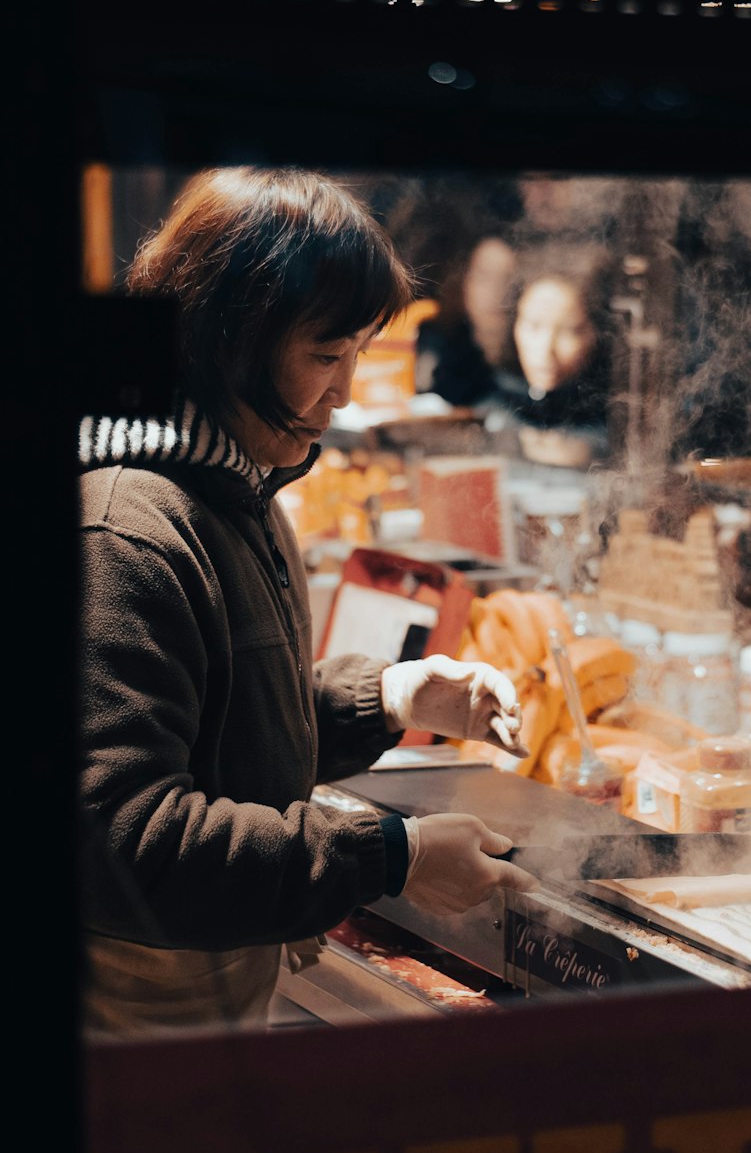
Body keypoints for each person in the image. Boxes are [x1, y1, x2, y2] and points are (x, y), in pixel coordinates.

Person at [78, 166, 536, 1036]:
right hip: (124, 1031)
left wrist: (392, 697)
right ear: (227, 342)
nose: (346, 392)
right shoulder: (126, 525)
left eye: (357, 354)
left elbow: (224, 732)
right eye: (325, 355)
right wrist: (387, 857)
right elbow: (120, 841)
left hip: (205, 1003)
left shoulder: (234, 486)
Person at [496, 242, 617, 469]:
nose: (545, 349)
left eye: (568, 331)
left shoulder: (617, 411)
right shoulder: (499, 394)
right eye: (533, 326)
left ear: (597, 333)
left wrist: (590, 451)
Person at [414, 227, 520, 406]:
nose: (496, 292)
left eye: (507, 279)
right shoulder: (437, 348)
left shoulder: (529, 359)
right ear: (464, 282)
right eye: (484, 277)